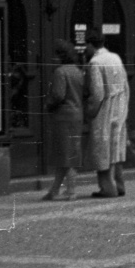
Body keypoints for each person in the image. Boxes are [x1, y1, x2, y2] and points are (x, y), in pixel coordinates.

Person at [83, 31, 130, 197]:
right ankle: (119, 184)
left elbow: (97, 93)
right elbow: (125, 85)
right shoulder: (115, 58)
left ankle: (107, 187)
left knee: (102, 148)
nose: (84, 49)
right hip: (119, 106)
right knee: (115, 147)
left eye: (86, 45)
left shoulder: (95, 63)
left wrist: (90, 111)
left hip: (104, 109)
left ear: (90, 44)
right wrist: (124, 108)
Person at [43, 39, 85, 201]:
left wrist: (48, 104)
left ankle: (71, 190)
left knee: (66, 154)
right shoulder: (77, 70)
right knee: (68, 153)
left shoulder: (60, 72)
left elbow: (58, 95)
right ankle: (54, 190)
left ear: (60, 56)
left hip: (63, 117)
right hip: (76, 115)